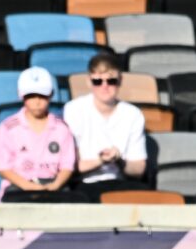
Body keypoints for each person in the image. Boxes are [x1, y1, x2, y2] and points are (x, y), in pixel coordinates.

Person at [62, 53, 147, 201]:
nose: (105, 86)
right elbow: (69, 166)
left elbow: (138, 169)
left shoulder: (133, 114)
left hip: (121, 183)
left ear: (120, 80)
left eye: (111, 80)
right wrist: (100, 161)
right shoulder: (73, 110)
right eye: (98, 81)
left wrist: (119, 160)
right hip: (84, 183)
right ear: (89, 81)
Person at [0, 67, 76, 201]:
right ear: (21, 95)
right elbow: (3, 167)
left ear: (51, 95)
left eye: (42, 96)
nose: (37, 101)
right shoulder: (8, 127)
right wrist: (27, 186)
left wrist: (56, 184)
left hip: (53, 187)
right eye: (30, 96)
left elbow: (67, 164)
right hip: (19, 187)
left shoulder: (62, 128)